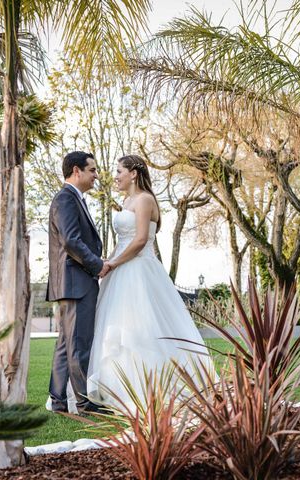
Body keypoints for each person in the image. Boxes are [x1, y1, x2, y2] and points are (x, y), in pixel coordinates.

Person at [86, 154, 213, 413]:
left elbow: (141, 240)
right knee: (117, 329)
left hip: (139, 270)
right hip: (120, 269)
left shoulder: (145, 200)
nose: (116, 176)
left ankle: (149, 388)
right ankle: (116, 389)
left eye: (119, 171)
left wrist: (113, 263)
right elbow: (123, 240)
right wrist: (106, 263)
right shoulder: (126, 201)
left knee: (142, 328)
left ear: (133, 173)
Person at [46, 151, 111, 415]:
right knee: (78, 344)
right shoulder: (66, 199)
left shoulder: (74, 199)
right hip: (75, 282)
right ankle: (84, 403)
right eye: (92, 170)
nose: (96, 175)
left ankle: (59, 400)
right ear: (77, 171)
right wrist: (97, 264)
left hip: (72, 282)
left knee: (66, 343)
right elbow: (71, 241)